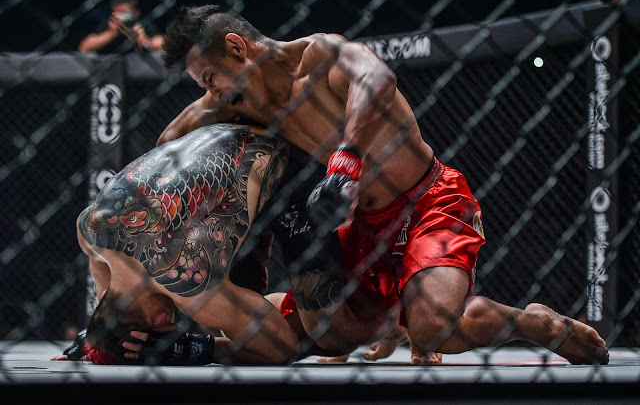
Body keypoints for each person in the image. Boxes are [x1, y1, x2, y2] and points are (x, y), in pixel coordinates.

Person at [154, 4, 610, 365]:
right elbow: (168, 143)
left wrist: (346, 160)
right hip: (358, 228)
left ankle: (532, 323)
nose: (212, 93)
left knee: (436, 330)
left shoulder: (321, 55)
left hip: (427, 202)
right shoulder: (236, 103)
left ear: (237, 47)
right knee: (301, 337)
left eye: (210, 79)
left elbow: (377, 79)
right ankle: (192, 347)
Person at [62, 120, 423, 365]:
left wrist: (186, 349)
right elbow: (105, 287)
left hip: (292, 177)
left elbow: (281, 349)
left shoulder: (184, 279)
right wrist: (97, 339)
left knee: (331, 336)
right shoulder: (91, 230)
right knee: (230, 320)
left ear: (158, 321)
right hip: (227, 157)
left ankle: (394, 322)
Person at [78, 0, 163, 54]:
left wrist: (144, 40)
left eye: (125, 12)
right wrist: (112, 33)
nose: (122, 16)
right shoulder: (110, 24)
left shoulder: (143, 24)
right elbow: (84, 48)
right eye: (118, 13)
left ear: (137, 12)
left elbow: (161, 43)